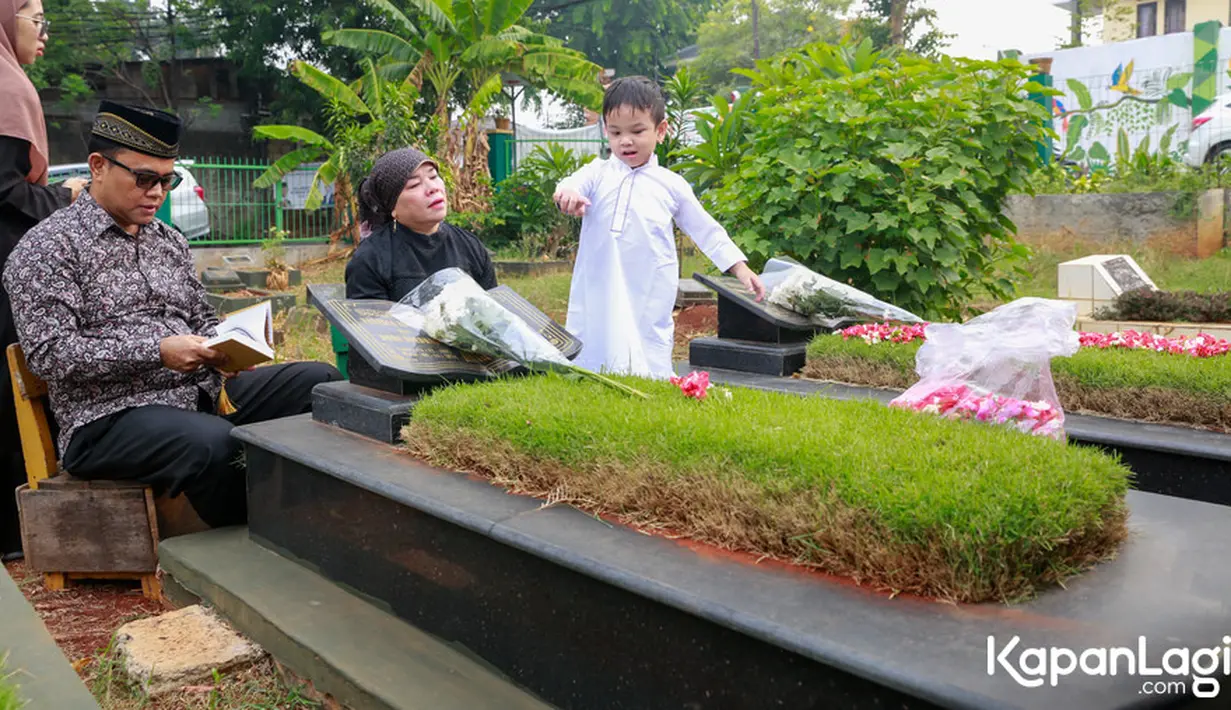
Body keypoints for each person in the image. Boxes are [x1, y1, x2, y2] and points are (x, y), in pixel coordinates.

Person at [3, 100, 341, 529]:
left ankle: (310, 517)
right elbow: (51, 354)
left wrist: (226, 345)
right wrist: (157, 351)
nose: (157, 193)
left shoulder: (169, 240)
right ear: (97, 166)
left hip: (197, 393)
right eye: (144, 179)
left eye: (168, 180)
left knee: (321, 384)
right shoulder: (47, 249)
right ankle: (254, 546)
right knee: (217, 445)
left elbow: (199, 315)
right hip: (107, 418)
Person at [553, 76, 765, 380]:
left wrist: (741, 269)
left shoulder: (671, 184)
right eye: (616, 132)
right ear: (605, 132)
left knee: (648, 338)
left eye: (637, 131)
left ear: (660, 130)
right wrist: (567, 195)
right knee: (595, 332)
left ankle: (651, 385)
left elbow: (706, 229)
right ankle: (589, 378)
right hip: (600, 278)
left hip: (649, 282)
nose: (626, 141)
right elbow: (570, 185)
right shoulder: (597, 173)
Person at [0, 0, 88, 560]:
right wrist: (64, 197)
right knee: (13, 384)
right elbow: (5, 190)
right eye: (36, 18)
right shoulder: (5, 89)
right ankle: (15, 529)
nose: (45, 35)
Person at [346, 147, 497, 302]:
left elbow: (493, 314)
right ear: (393, 208)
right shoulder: (370, 260)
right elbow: (371, 324)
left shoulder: (470, 247)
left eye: (433, 176)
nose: (433, 188)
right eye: (414, 185)